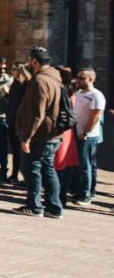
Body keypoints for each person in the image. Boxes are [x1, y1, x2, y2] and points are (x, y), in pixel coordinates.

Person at [13, 46, 63, 218]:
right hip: (52, 133)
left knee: (31, 169)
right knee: (48, 169)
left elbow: (37, 113)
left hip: (40, 134)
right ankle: (54, 208)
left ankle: (35, 206)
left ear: (34, 61)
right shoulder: (55, 76)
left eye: (29, 59)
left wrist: (27, 137)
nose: (28, 63)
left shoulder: (39, 81)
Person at [70, 68, 105, 206]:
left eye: (82, 77)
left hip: (88, 136)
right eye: (78, 77)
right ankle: (85, 191)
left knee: (86, 165)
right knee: (84, 164)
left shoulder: (96, 95)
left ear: (91, 79)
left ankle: (86, 195)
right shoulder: (78, 93)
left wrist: (85, 132)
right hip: (77, 133)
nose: (78, 79)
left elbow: (96, 116)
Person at [52, 66, 79, 206]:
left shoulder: (62, 92)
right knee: (65, 165)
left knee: (59, 166)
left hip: (60, 131)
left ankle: (58, 197)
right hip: (68, 131)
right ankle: (61, 196)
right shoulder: (71, 92)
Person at [6, 62, 32, 185]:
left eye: (14, 69)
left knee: (22, 152)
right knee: (15, 151)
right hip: (12, 122)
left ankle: (25, 177)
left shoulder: (27, 85)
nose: (12, 71)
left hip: (21, 124)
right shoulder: (15, 84)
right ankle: (15, 174)